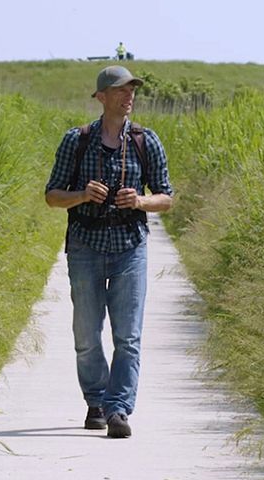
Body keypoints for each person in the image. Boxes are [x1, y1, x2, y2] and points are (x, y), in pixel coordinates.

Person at [45, 66, 174, 438]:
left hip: (129, 247)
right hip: (85, 243)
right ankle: (96, 401)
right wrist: (83, 194)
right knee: (86, 335)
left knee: (128, 336)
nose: (128, 95)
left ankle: (119, 409)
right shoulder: (77, 140)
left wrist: (140, 201)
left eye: (132, 89)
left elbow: (167, 198)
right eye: (120, 89)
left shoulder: (146, 141)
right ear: (101, 97)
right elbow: (52, 196)